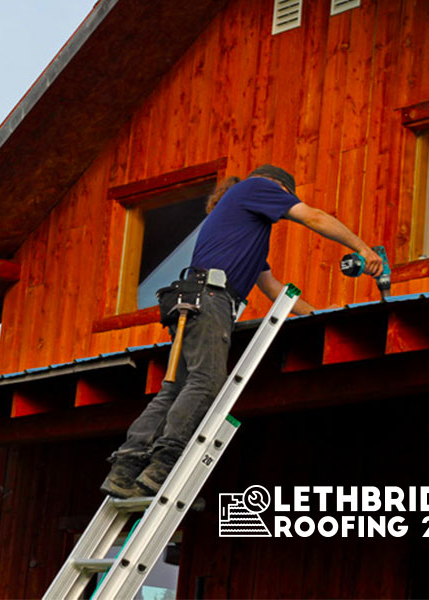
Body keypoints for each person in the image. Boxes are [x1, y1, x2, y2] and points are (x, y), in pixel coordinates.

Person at [101, 164, 383, 498]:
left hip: (190, 300)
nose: (282, 210)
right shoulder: (258, 188)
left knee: (176, 387)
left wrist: (319, 317)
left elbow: (273, 288)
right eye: (286, 199)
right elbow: (315, 217)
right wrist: (364, 249)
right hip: (210, 299)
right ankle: (164, 465)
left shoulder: (241, 231)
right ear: (281, 188)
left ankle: (126, 469)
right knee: (206, 382)